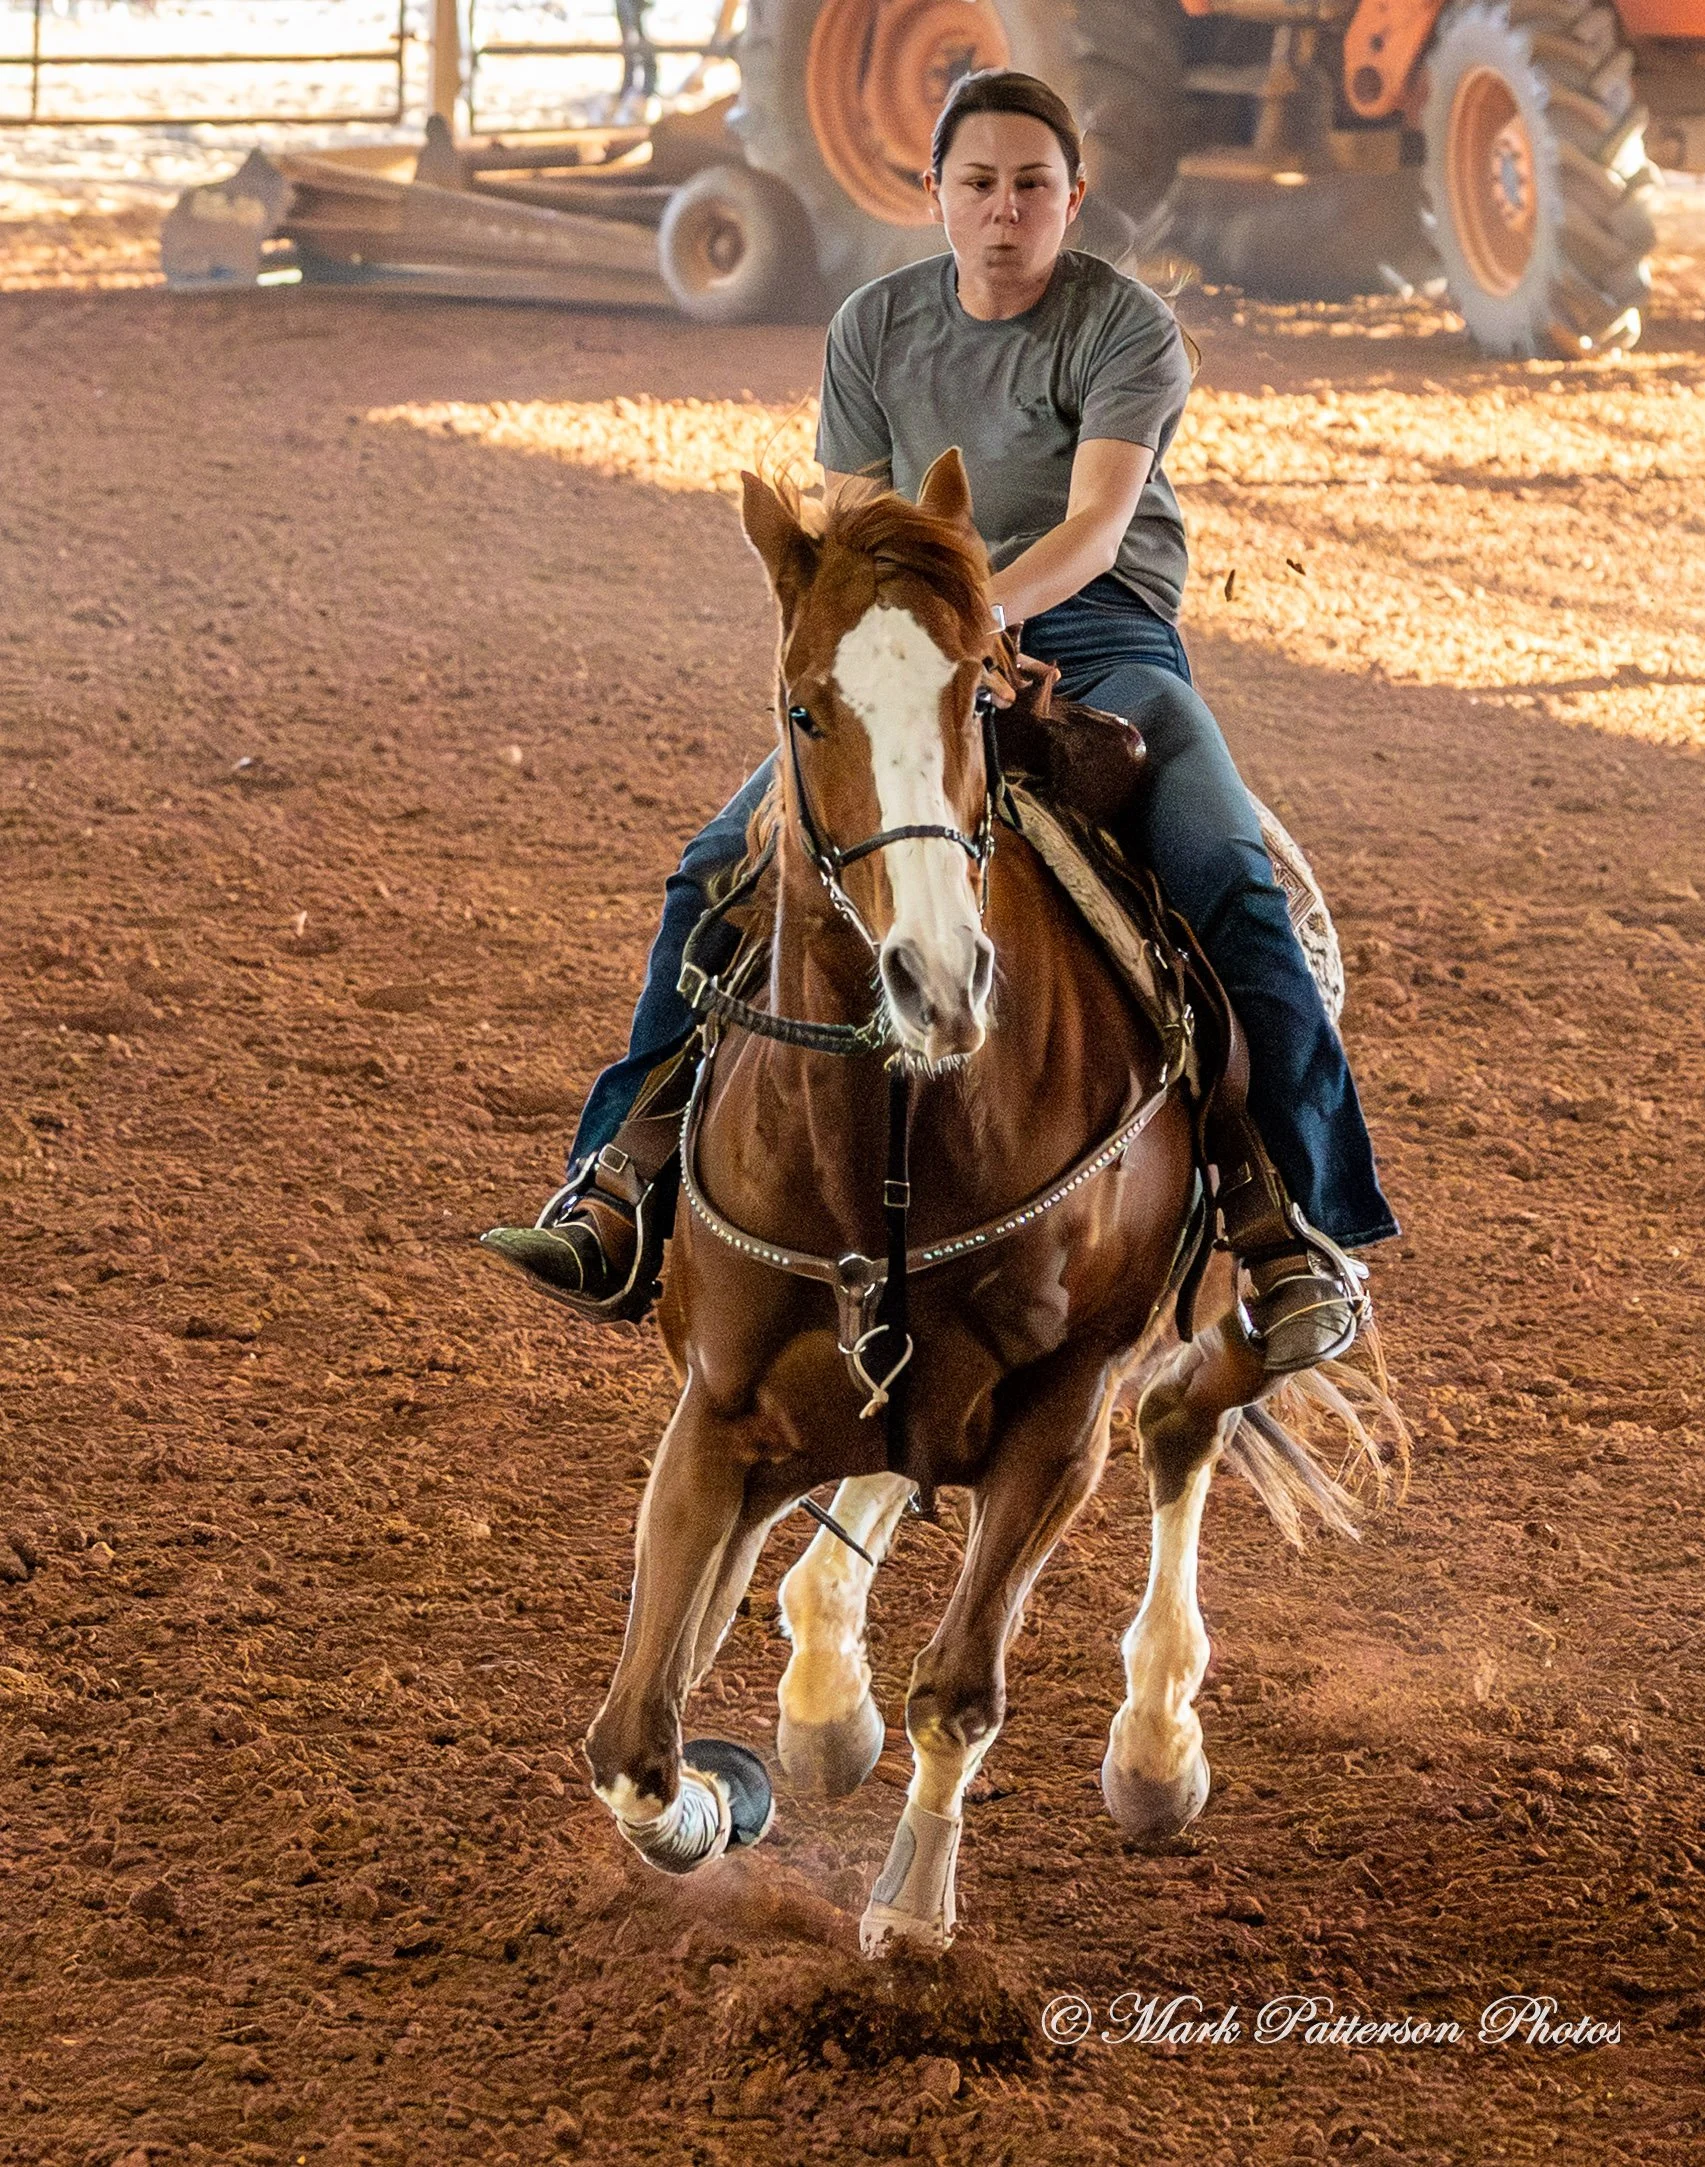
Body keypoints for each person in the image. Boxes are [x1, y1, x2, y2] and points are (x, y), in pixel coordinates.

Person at [481, 68, 1398, 1374]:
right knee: (716, 868)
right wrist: (917, 652)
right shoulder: (871, 329)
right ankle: (616, 1186)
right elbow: (849, 528)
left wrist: (976, 627)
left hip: (1099, 640)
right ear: (935, 197)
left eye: (1032, 186)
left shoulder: (1123, 328)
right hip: (913, 661)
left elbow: (1092, 529)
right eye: (978, 185)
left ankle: (1296, 1230)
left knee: (1227, 879)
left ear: (1073, 199)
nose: (1005, 211)